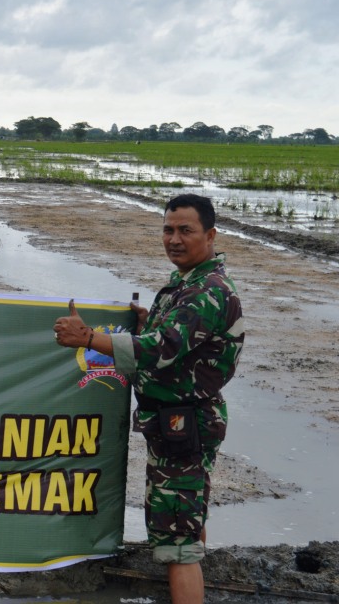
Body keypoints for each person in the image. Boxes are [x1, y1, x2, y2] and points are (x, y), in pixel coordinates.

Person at [53, 194, 244, 604]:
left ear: (210, 235)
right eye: (168, 230)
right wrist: (147, 323)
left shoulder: (207, 291)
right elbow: (173, 340)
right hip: (178, 424)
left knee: (177, 543)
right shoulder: (186, 284)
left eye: (186, 230)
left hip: (185, 426)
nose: (174, 239)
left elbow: (161, 348)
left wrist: (88, 338)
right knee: (185, 519)